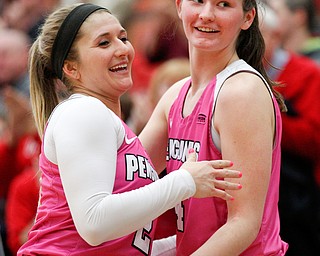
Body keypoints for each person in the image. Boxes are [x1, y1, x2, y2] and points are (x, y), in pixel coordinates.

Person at [17, 3, 243, 255]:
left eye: (123, 38)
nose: (122, 49)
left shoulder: (108, 123)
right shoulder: (83, 111)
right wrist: (185, 180)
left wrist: (181, 244)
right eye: (104, 43)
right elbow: (94, 223)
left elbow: (119, 244)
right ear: (71, 68)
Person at [139, 0, 288, 255]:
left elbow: (244, 224)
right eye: (198, 1)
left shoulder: (242, 92)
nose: (206, 15)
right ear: (179, 6)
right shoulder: (176, 94)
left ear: (247, 18)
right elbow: (128, 180)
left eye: (223, 4)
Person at [259, 3, 320, 255]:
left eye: (255, 35)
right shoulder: (234, 75)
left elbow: (314, 139)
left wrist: (264, 119)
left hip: (297, 200)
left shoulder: (307, 73)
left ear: (274, 36)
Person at [266, 0, 320, 64]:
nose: (268, 18)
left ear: (299, 16)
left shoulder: (316, 58)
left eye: (275, 12)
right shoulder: (271, 55)